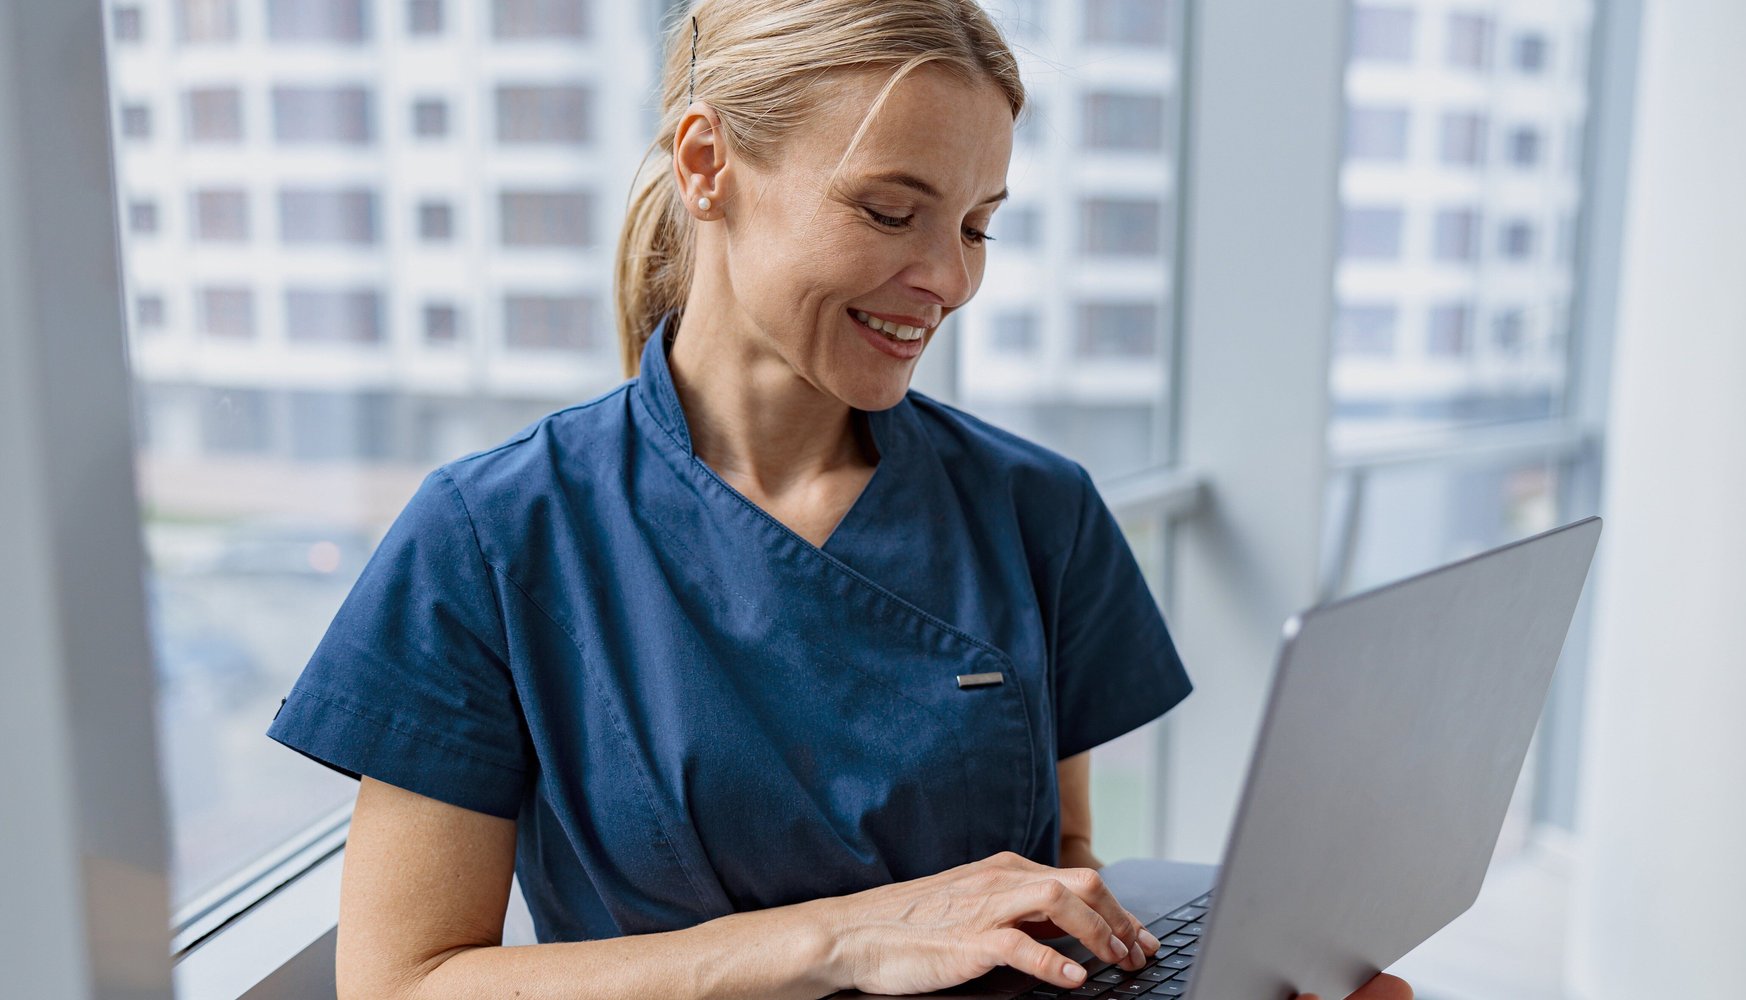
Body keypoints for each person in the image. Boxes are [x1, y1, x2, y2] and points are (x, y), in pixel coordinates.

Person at [265, 1, 1412, 997]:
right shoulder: (490, 537)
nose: (951, 281)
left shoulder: (1036, 509)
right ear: (706, 164)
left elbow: (1064, 869)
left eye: (975, 225)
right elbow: (406, 981)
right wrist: (841, 938)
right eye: (887, 210)